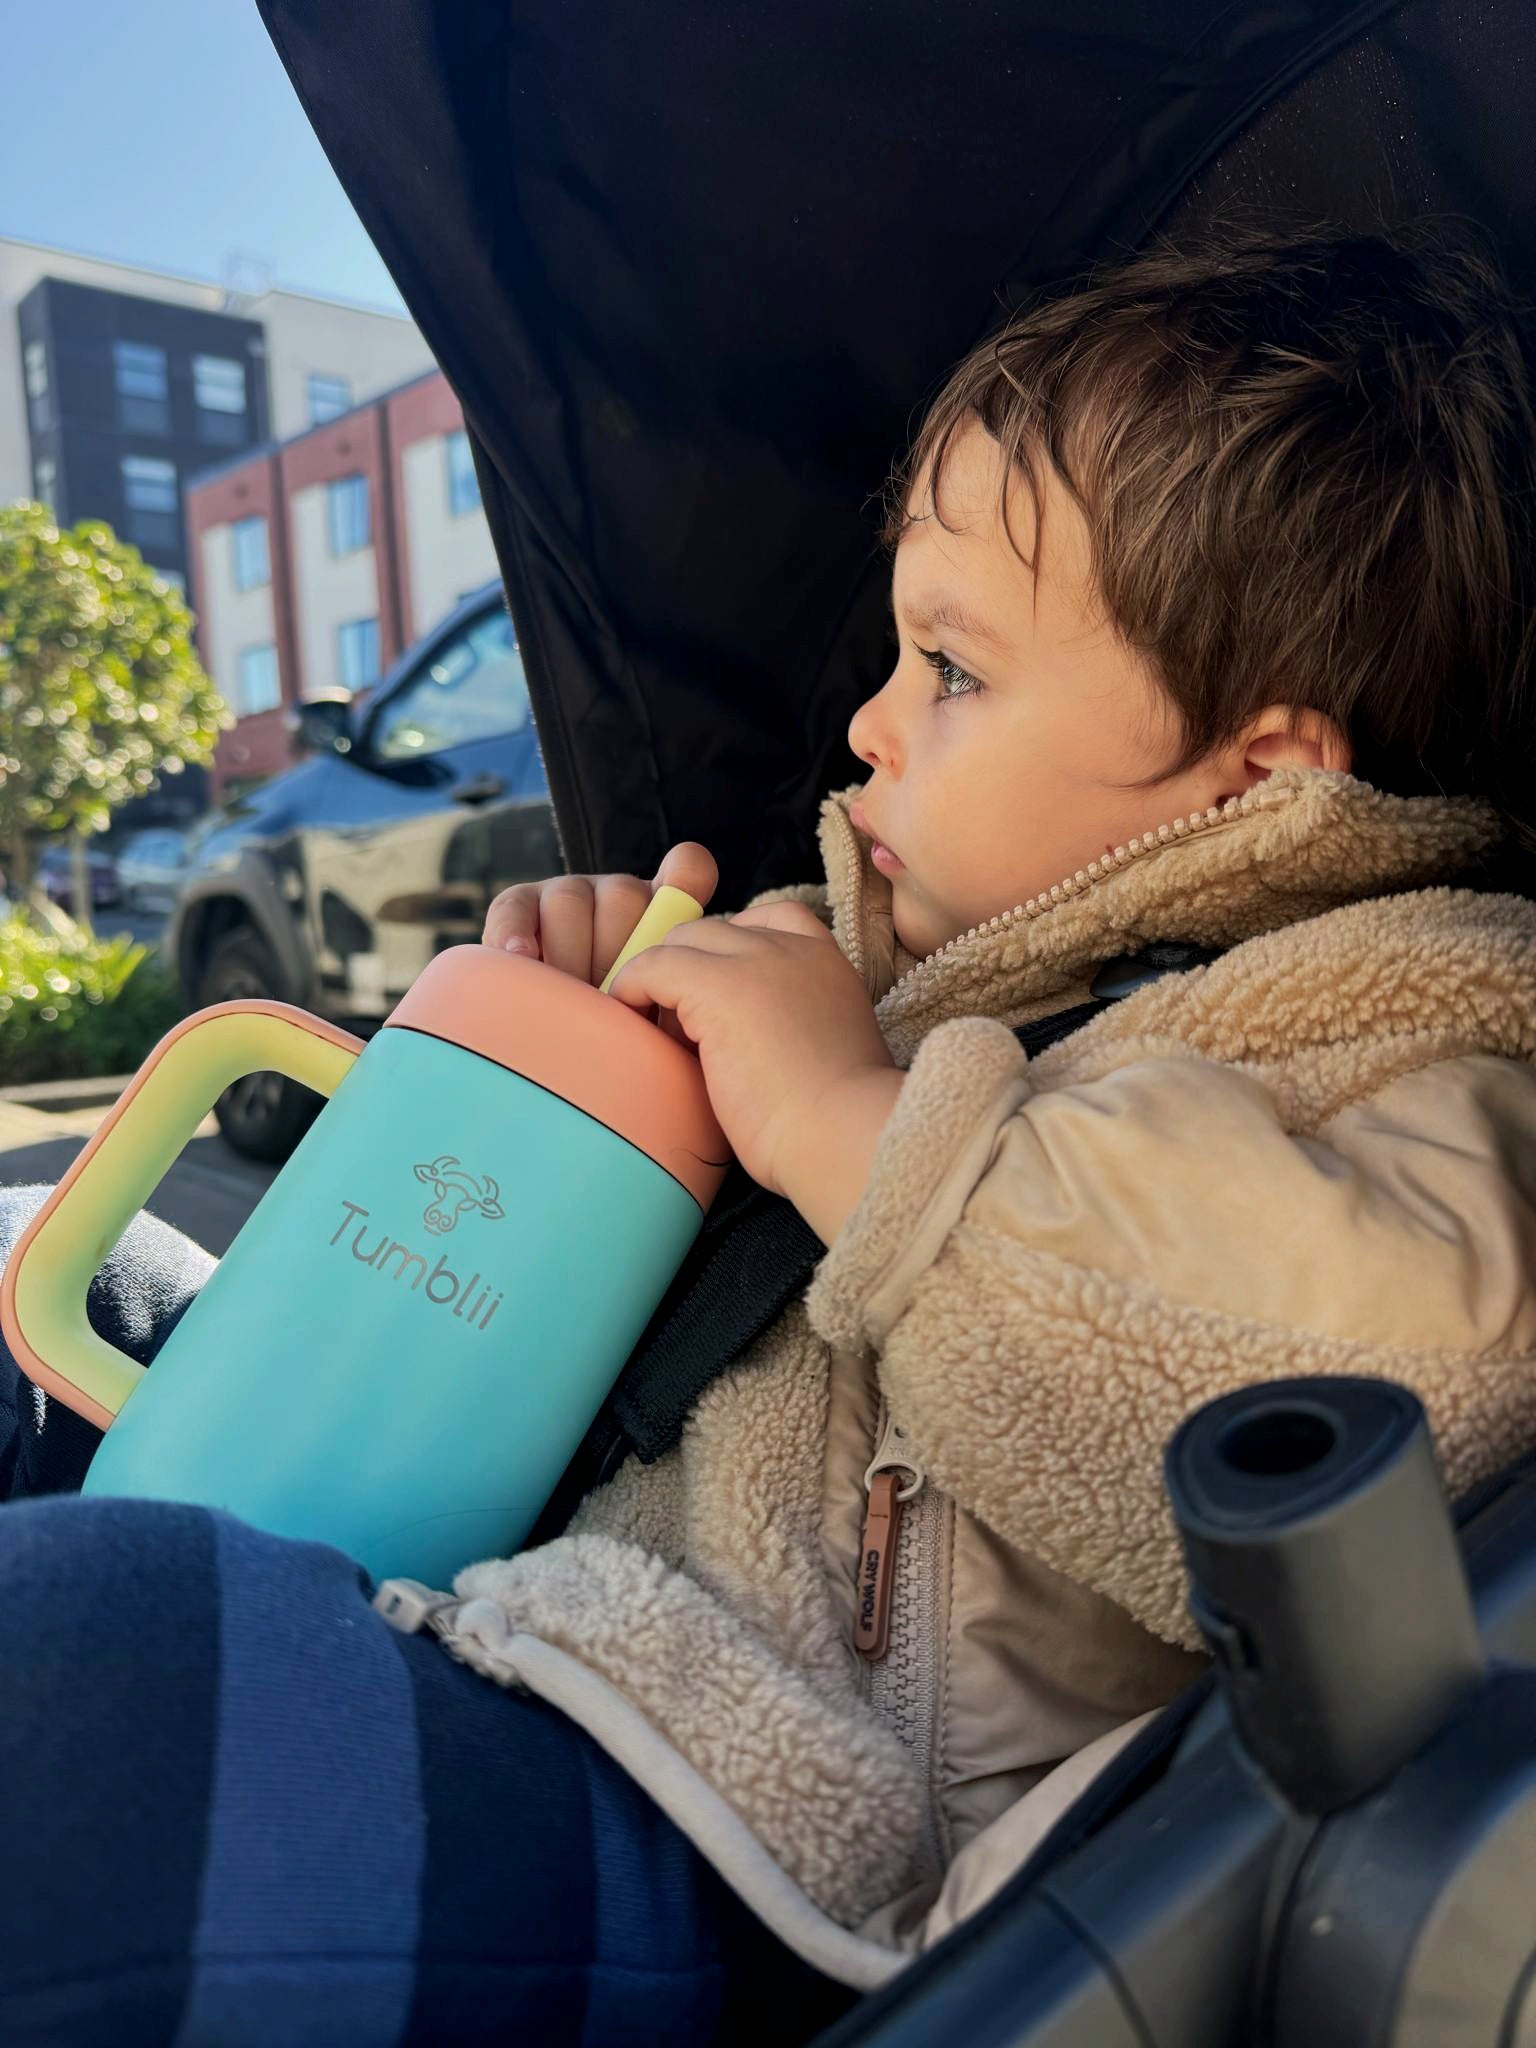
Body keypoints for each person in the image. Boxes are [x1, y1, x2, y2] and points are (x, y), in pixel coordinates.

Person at [6, 217, 1536, 2042]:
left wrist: (847, 1123)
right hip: (514, 1607)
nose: (871, 724)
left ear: (1262, 770)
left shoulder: (1416, 1034)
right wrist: (565, 1091)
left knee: (98, 1672)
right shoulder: (903, 983)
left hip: (771, 1842)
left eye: (952, 671)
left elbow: (1348, 1399)